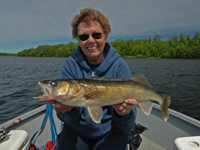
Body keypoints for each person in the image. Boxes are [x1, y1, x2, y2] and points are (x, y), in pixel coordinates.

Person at [48, 8, 137, 150]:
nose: (91, 40)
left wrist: (123, 113)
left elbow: (128, 124)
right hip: (76, 130)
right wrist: (68, 110)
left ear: (106, 36)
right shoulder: (70, 64)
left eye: (96, 35)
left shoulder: (120, 66)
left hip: (111, 131)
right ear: (77, 39)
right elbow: (66, 119)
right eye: (84, 36)